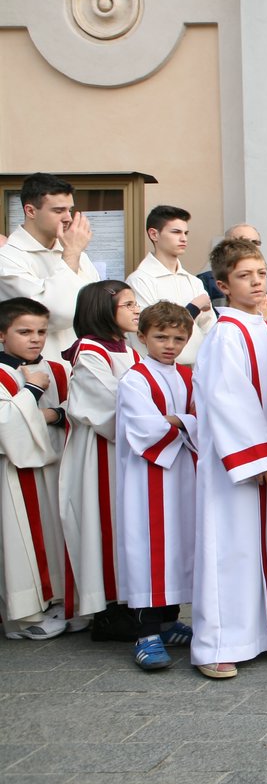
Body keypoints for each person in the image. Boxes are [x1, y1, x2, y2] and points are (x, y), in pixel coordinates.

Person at [190, 237, 267, 679]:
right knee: (229, 549)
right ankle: (215, 644)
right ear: (223, 285)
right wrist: (258, 456)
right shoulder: (225, 333)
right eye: (245, 276)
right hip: (240, 466)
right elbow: (226, 398)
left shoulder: (266, 329)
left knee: (261, 549)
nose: (256, 282)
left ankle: (262, 632)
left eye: (261, 273)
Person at [114, 302, 199, 672]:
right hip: (148, 476)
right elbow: (144, 428)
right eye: (161, 337)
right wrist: (183, 423)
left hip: (184, 475)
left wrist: (179, 420)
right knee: (152, 550)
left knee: (181, 545)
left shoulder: (188, 375)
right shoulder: (135, 378)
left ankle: (168, 622)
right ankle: (146, 633)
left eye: (178, 338)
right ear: (142, 336)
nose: (170, 344)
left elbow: (202, 419)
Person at [59, 281, 142, 631]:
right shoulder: (91, 352)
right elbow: (109, 407)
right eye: (129, 304)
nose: (137, 309)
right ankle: (108, 612)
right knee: (103, 522)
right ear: (104, 310)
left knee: (127, 525)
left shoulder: (129, 348)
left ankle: (132, 604)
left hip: (129, 450)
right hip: (101, 454)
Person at [0, 298, 68, 642]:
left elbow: (74, 410)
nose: (36, 339)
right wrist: (32, 391)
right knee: (18, 543)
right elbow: (6, 426)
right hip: (12, 474)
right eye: (24, 332)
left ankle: (55, 599)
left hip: (53, 468)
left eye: (41, 331)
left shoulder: (57, 369)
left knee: (54, 534)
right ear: (2, 334)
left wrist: (53, 414)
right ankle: (22, 618)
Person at [0, 173, 99, 361]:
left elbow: (98, 311)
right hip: (37, 370)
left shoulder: (77, 253)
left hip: (84, 363)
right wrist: (71, 254)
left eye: (70, 210)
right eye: (58, 210)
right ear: (30, 211)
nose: (68, 218)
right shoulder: (8, 258)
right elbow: (53, 314)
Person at [127, 205, 215, 364]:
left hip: (196, 371)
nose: (184, 238)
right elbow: (151, 330)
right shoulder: (140, 280)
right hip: (158, 372)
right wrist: (193, 307)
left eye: (186, 233)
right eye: (176, 232)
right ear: (154, 234)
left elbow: (210, 328)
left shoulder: (193, 281)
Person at [198, 223, 267, 335]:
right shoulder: (205, 282)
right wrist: (257, 318)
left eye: (255, 243)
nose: (256, 281)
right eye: (243, 242)